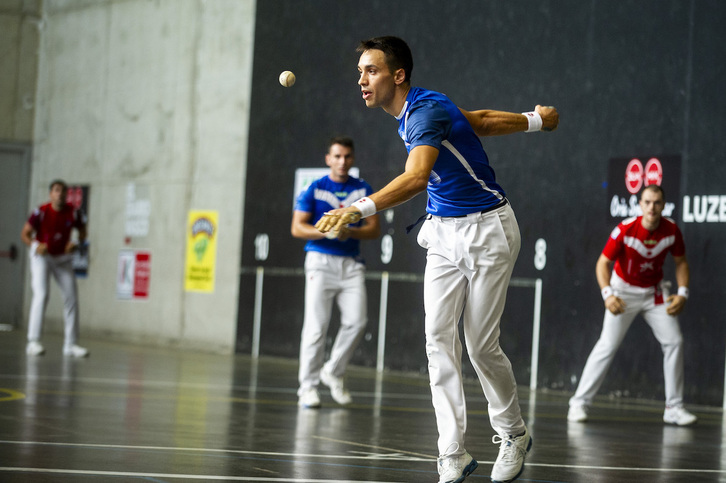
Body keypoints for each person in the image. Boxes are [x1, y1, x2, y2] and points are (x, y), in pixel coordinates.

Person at [314, 37, 558, 483]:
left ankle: (513, 434)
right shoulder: (428, 106)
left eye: (371, 71)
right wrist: (534, 120)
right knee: (437, 338)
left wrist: (359, 207)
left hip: (488, 229)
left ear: (398, 75)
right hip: (444, 232)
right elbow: (479, 120)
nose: (361, 80)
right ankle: (451, 452)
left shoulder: (423, 113)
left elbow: (416, 176)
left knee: (480, 345)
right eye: (360, 72)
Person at [568, 185, 696, 426]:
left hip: (654, 294)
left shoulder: (671, 231)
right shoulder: (625, 229)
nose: (652, 207)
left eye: (657, 202)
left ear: (664, 205)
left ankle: (674, 408)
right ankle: (578, 403)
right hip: (623, 292)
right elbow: (603, 263)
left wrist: (683, 293)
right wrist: (608, 294)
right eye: (647, 202)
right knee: (607, 344)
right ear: (640, 204)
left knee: (674, 341)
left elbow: (681, 262)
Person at [291, 136, 381, 409]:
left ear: (352, 160)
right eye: (337, 157)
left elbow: (374, 229)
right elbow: (297, 228)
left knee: (357, 321)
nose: (342, 162)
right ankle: (307, 387)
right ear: (328, 159)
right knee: (316, 327)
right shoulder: (315, 189)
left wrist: (349, 230)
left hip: (351, 264)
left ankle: (333, 370)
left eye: (347, 157)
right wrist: (327, 231)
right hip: (320, 262)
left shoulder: (363, 189)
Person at [20, 179, 89, 358]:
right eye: (57, 190)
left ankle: (71, 345)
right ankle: (33, 342)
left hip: (63, 259)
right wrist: (36, 245)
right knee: (42, 294)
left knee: (71, 298)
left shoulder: (73, 213)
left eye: (63, 191)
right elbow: (25, 234)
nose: (60, 194)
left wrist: (75, 242)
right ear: (51, 194)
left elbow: (82, 231)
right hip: (42, 258)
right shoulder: (41, 212)